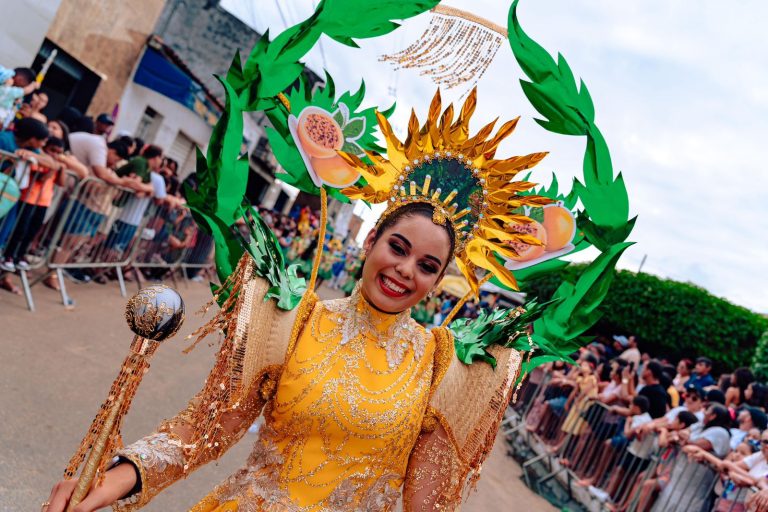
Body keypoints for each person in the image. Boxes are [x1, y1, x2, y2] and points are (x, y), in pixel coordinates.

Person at [46, 89, 563, 511]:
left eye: (428, 266)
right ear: (371, 241)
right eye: (398, 248)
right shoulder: (292, 320)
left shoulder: (441, 367)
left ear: (438, 279)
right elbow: (203, 430)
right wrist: (110, 481)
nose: (406, 270)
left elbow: (426, 504)